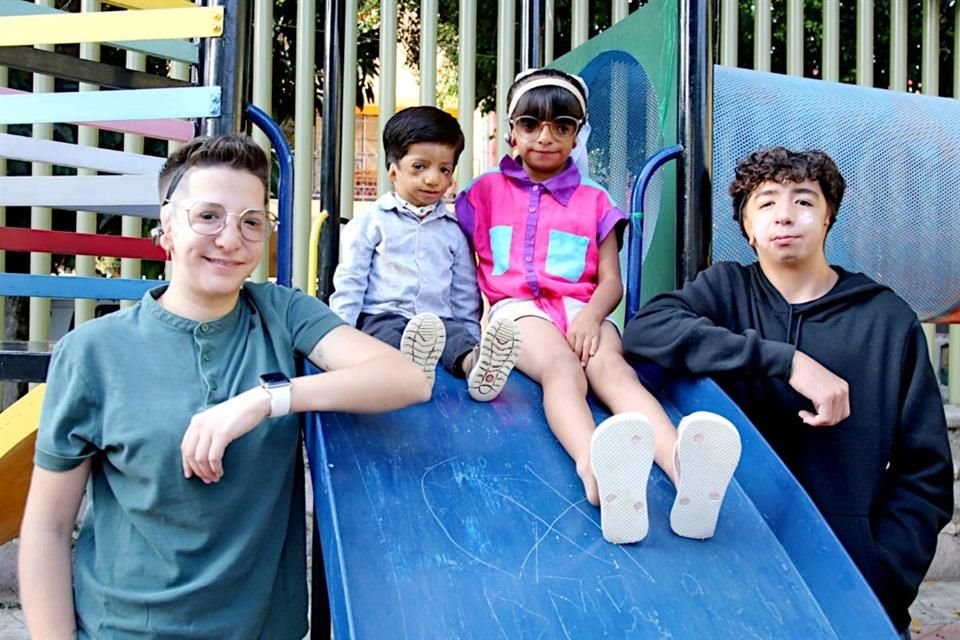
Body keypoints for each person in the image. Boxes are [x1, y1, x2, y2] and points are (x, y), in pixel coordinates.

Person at [18, 134, 431, 640]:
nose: (231, 240)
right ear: (166, 227)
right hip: (123, 629)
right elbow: (47, 528)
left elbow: (406, 379)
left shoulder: (280, 313)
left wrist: (267, 399)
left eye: (251, 222)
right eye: (208, 216)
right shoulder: (92, 353)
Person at [624, 147, 954, 636]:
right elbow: (646, 331)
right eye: (766, 203)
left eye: (803, 201)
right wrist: (786, 361)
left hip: (852, 588)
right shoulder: (724, 291)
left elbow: (924, 473)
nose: (785, 215)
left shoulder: (887, 321)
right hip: (729, 569)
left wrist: (880, 574)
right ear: (747, 228)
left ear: (827, 219)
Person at [455, 68, 742, 544]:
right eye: (531, 124)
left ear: (577, 134)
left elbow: (610, 281)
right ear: (512, 130)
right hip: (515, 311)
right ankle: (596, 469)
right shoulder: (484, 192)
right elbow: (459, 258)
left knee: (613, 370)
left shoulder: (594, 200)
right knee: (562, 369)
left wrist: (591, 316)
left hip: (581, 307)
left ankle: (682, 468)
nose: (545, 137)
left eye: (561, 126)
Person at [330, 106, 522, 401]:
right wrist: (340, 335)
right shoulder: (370, 224)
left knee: (455, 340)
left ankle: (478, 365)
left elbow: (463, 291)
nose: (433, 179)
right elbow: (350, 282)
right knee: (383, 340)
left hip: (439, 320)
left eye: (444, 169)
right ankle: (408, 367)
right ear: (393, 170)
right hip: (383, 315)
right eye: (420, 167)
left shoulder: (454, 231)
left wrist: (472, 335)